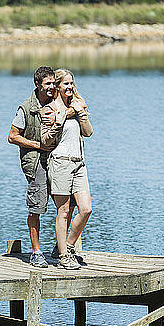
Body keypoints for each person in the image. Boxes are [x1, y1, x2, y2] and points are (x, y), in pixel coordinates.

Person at [40, 69, 93, 270]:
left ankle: (68, 246)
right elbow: (45, 141)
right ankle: (63, 256)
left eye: (72, 83)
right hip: (60, 162)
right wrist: (58, 123)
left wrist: (81, 113)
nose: (70, 87)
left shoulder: (77, 104)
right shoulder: (50, 109)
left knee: (86, 208)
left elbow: (88, 133)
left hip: (79, 163)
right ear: (58, 86)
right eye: (66, 84)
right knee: (63, 212)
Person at [7, 66, 56, 268]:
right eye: (48, 84)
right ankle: (36, 252)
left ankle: (61, 247)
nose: (52, 87)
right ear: (37, 84)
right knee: (36, 208)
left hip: (57, 161)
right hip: (35, 163)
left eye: (54, 83)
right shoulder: (26, 108)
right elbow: (12, 137)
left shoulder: (58, 102)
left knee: (68, 204)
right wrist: (38, 145)